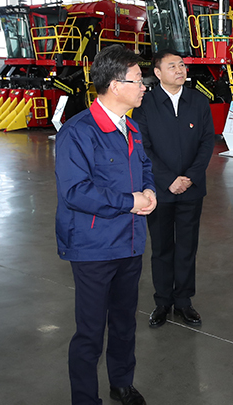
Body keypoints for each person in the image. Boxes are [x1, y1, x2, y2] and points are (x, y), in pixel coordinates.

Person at [55, 45, 157, 405]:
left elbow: (144, 167)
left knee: (125, 322)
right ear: (115, 85)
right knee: (90, 331)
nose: (144, 87)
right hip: (93, 247)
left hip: (129, 242)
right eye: (138, 80)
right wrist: (131, 201)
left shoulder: (131, 127)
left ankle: (121, 383)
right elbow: (75, 192)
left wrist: (149, 190)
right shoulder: (78, 132)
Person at [132, 50, 214, 328]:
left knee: (187, 247)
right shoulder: (146, 104)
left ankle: (184, 301)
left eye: (182, 65)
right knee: (162, 247)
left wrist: (190, 176)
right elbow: (143, 146)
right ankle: (162, 301)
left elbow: (207, 142)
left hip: (192, 189)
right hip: (159, 190)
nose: (180, 70)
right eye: (172, 66)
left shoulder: (199, 101)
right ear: (157, 73)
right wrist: (168, 179)